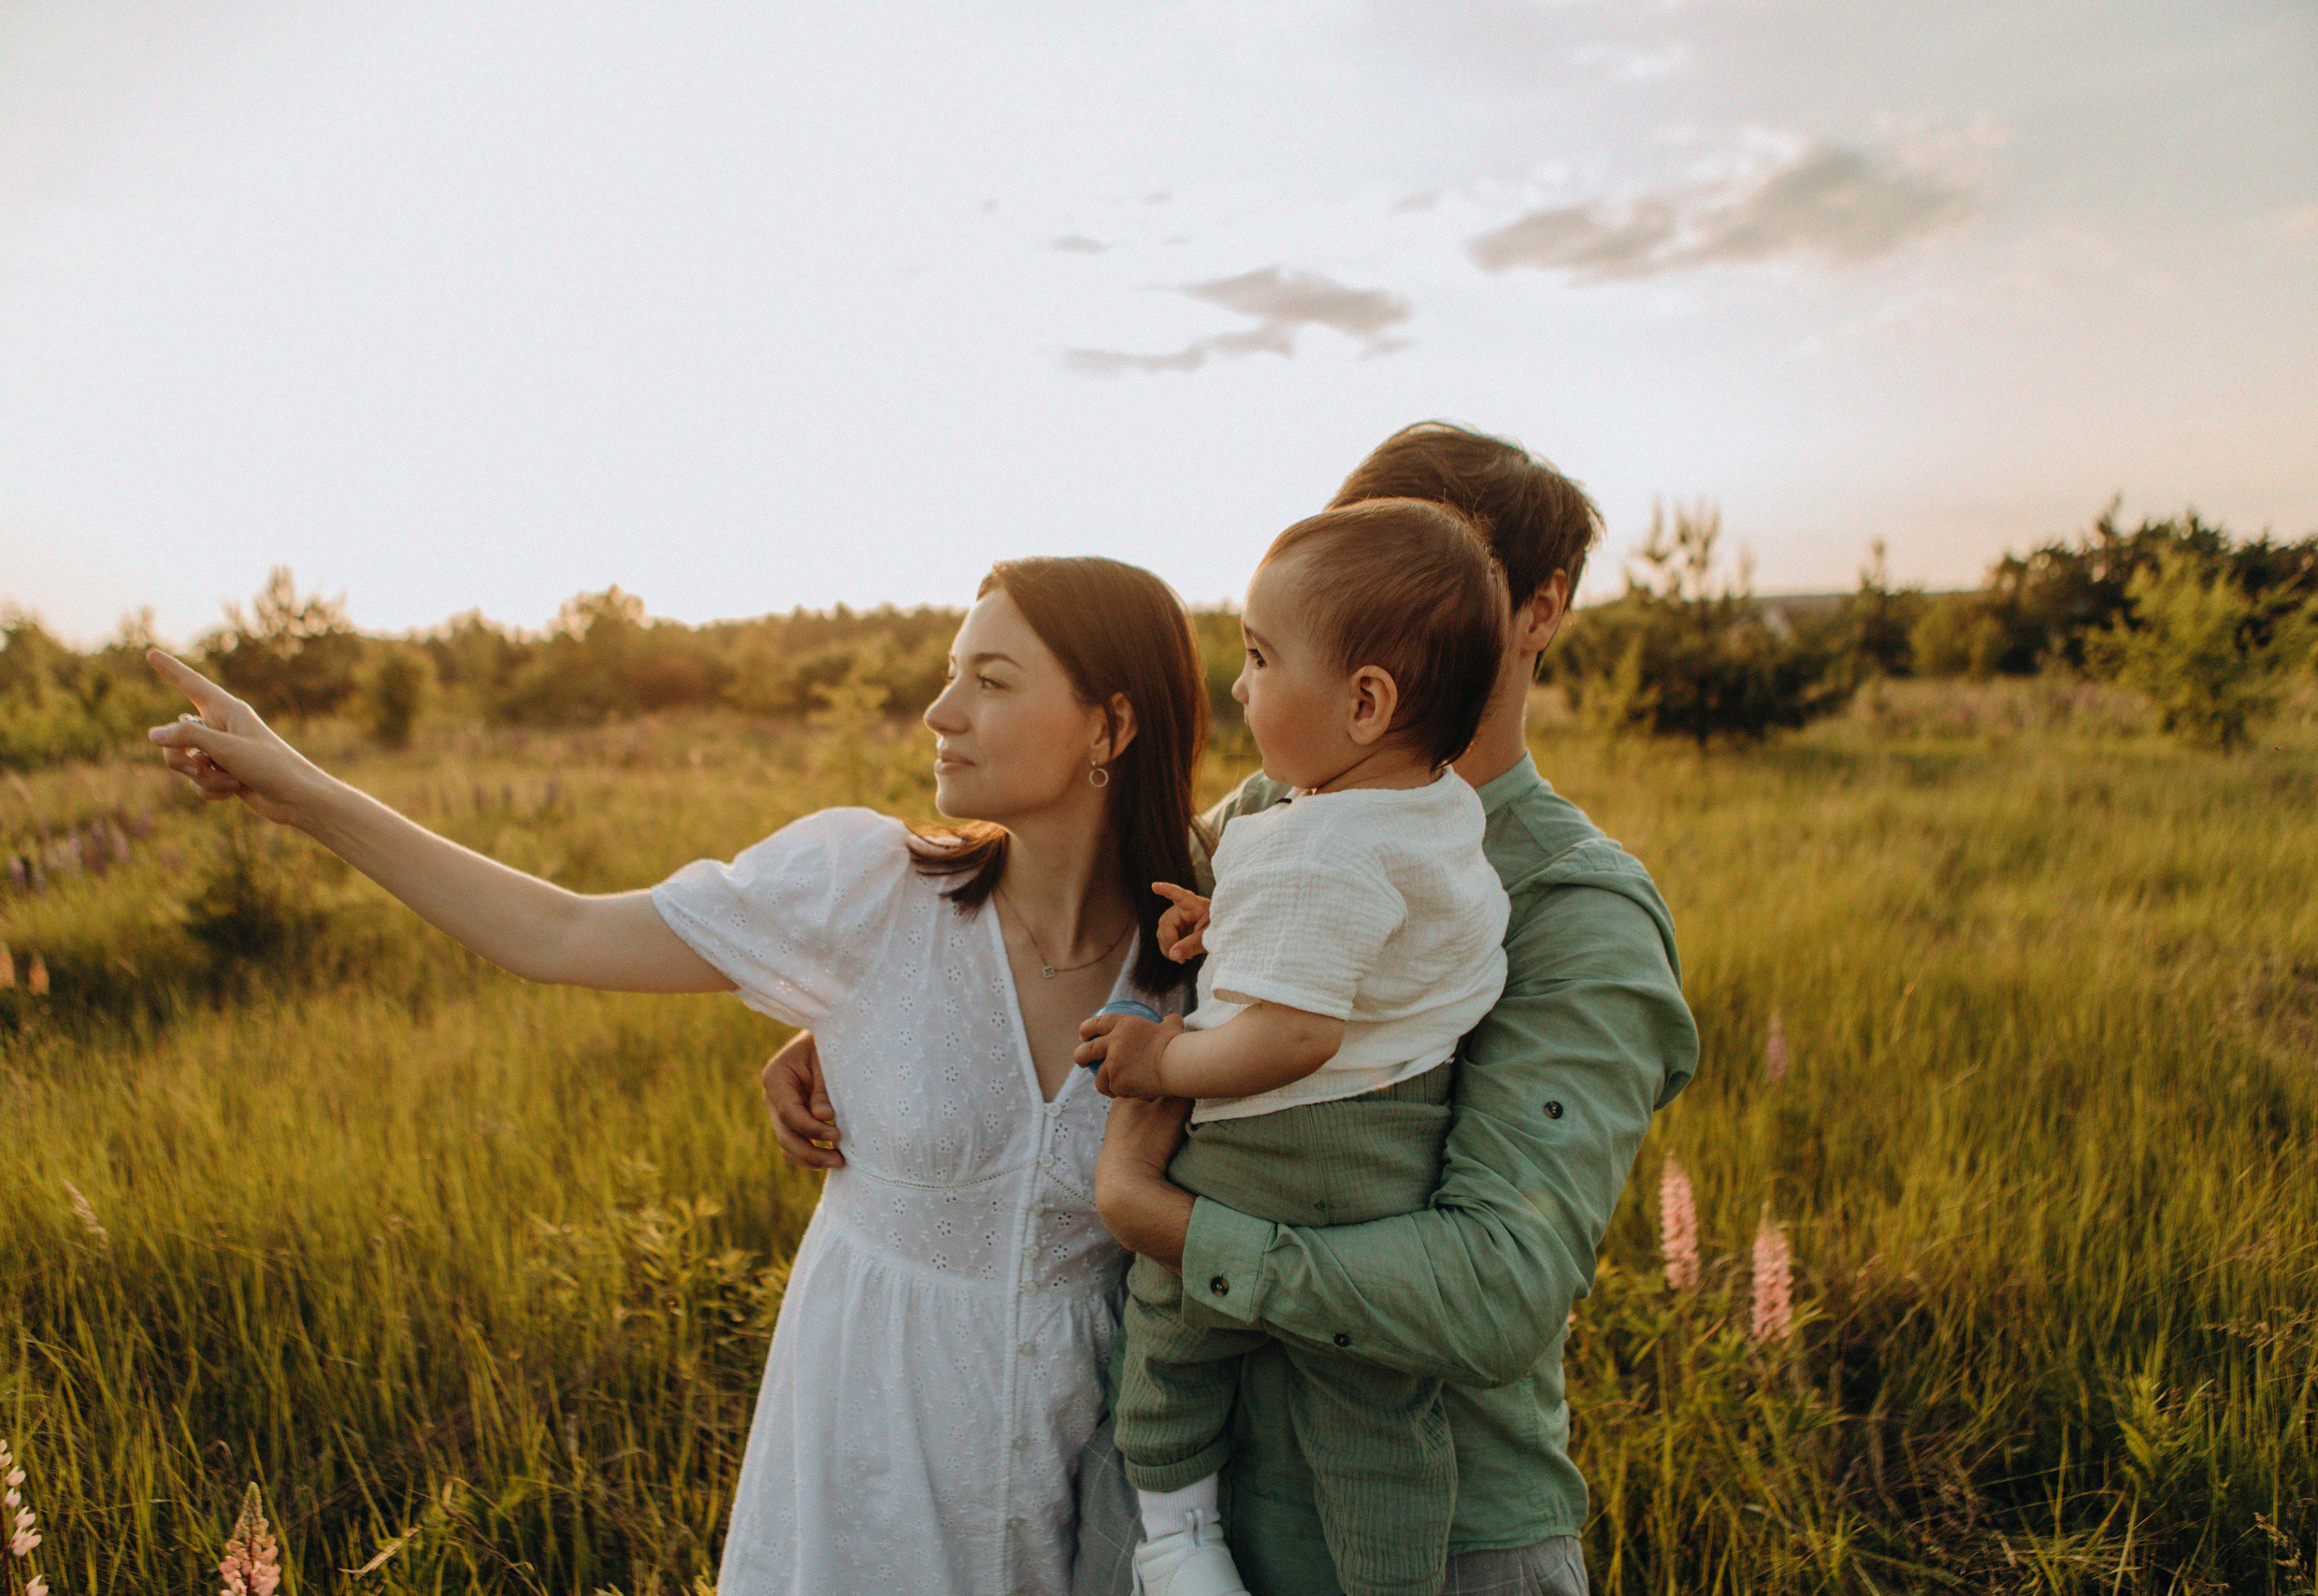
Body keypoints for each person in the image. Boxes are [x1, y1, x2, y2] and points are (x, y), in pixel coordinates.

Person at [144, 555, 1213, 1596]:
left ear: (1110, 727)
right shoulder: (868, 890)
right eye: (949, 672)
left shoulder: (1211, 948)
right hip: (865, 1463)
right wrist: (307, 792)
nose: (940, 711)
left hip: (1092, 1479)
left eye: (989, 682)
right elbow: (556, 934)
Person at [764, 423, 1700, 1596]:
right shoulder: (1265, 811)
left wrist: (1164, 1225)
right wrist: (868, 1017)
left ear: (1540, 609)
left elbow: (1500, 1283)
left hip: (1431, 1536)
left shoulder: (1574, 905)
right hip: (1168, 1491)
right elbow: (1076, 937)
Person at [1075, 499, 1512, 1596]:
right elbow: (1373, 960)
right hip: (1388, 1163)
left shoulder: (1313, 839)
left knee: (1171, 1332)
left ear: (1365, 701)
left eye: (1261, 658)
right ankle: (1393, 1574)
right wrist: (1228, 929)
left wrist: (1158, 1059)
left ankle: (1176, 1539)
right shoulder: (1438, 811)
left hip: (1273, 1150)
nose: (1239, 686)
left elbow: (1296, 1031)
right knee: (1375, 1403)